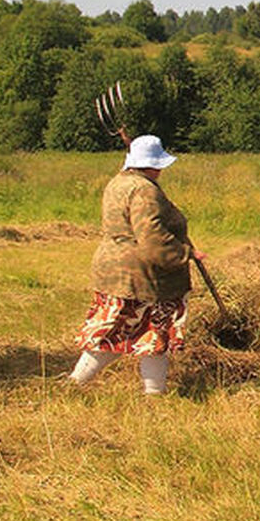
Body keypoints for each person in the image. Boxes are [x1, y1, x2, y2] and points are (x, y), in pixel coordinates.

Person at [67, 134, 206, 395]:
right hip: (142, 277)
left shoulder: (118, 183)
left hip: (114, 270)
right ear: (154, 165)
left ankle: (76, 383)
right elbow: (152, 238)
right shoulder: (144, 190)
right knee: (154, 334)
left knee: (115, 333)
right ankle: (153, 394)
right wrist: (185, 253)